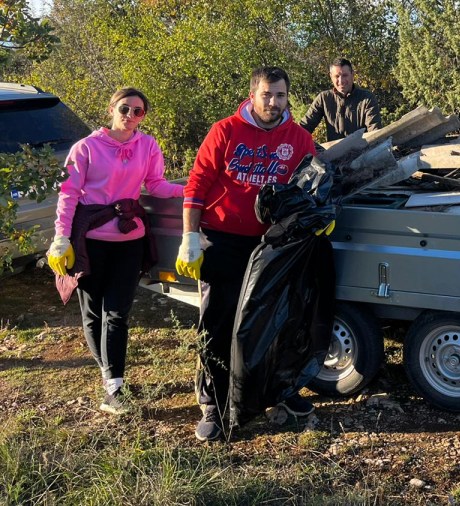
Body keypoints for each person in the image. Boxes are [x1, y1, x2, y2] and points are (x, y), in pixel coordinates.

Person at [177, 66, 317, 441]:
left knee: (272, 322)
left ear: (289, 97)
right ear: (253, 95)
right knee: (219, 322)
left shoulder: (300, 138)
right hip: (222, 239)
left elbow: (311, 186)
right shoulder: (225, 131)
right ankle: (213, 401)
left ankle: (273, 392)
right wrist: (190, 236)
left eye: (281, 95)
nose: (273, 102)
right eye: (267, 94)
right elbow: (197, 183)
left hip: (271, 245)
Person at [47, 88, 183, 415]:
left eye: (138, 112)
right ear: (112, 108)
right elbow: (69, 195)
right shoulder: (86, 148)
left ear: (143, 116)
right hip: (90, 241)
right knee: (93, 314)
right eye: (125, 108)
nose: (130, 116)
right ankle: (111, 379)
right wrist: (61, 238)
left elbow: (157, 186)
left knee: (118, 314)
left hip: (129, 241)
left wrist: (193, 189)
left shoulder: (148, 146)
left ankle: (114, 386)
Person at [299, 58, 382, 142]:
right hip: (333, 152)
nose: (341, 81)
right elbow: (304, 126)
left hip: (361, 152)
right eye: (337, 76)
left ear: (352, 75)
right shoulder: (324, 98)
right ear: (331, 76)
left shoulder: (367, 98)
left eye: (345, 75)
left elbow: (374, 131)